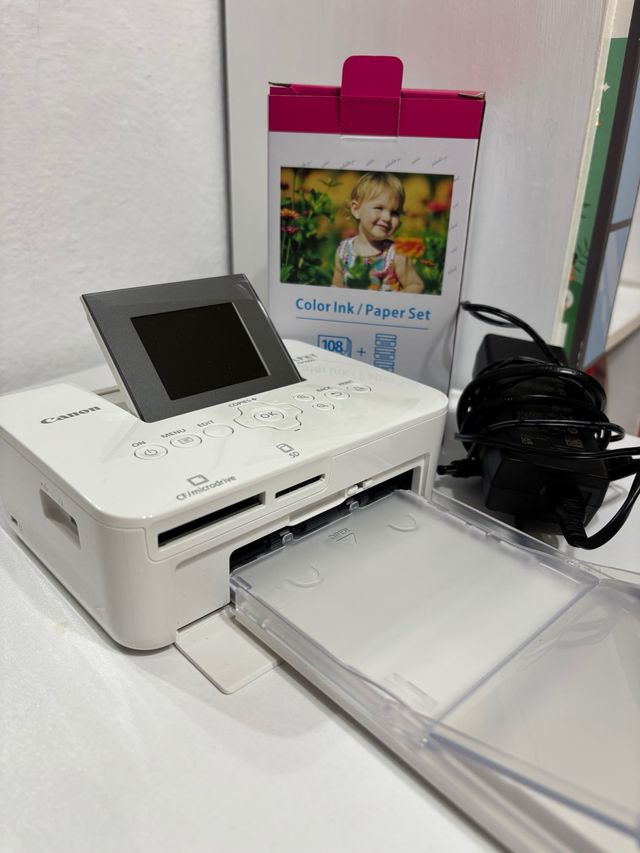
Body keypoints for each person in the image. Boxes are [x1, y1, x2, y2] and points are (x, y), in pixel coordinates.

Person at [332, 173, 424, 292]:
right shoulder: (343, 251)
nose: (387, 218)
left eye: (395, 212)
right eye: (379, 208)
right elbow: (336, 287)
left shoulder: (396, 254)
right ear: (356, 210)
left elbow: (416, 286)